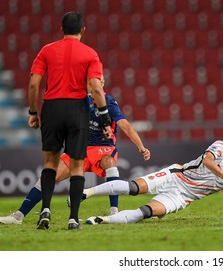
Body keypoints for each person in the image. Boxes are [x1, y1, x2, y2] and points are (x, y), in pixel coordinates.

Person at [0, 80, 151, 225]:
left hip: (103, 148)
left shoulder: (108, 102)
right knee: (48, 177)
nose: (97, 85)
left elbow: (124, 124)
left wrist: (141, 146)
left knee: (110, 163)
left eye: (100, 82)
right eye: (93, 82)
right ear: (88, 84)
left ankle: (114, 211)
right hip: (80, 147)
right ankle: (19, 216)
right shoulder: (78, 101)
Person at [82, 123, 223, 225]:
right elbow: (208, 161)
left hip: (182, 197)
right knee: (133, 188)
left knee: (146, 212)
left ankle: (101, 220)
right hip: (175, 176)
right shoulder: (221, 146)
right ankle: (86, 193)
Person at [28, 11, 112, 230]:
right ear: (83, 30)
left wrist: (33, 112)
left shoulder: (46, 50)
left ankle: (45, 209)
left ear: (61, 29)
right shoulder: (90, 54)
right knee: (76, 165)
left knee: (49, 162)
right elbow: (95, 88)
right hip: (77, 109)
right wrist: (104, 119)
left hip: (52, 108)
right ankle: (73, 219)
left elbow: (34, 84)